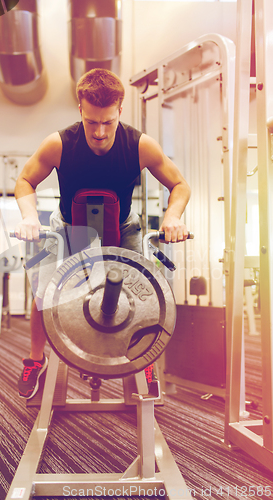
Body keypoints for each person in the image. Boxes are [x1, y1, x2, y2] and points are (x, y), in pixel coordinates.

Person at [14, 68, 191, 399]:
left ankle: (144, 358)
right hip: (68, 226)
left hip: (122, 227)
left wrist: (173, 215)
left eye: (107, 122)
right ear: (80, 109)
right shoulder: (58, 144)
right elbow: (25, 180)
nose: (98, 131)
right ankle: (36, 359)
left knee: (147, 292)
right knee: (42, 291)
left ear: (120, 111)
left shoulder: (140, 145)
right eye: (92, 121)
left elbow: (179, 184)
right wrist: (28, 217)